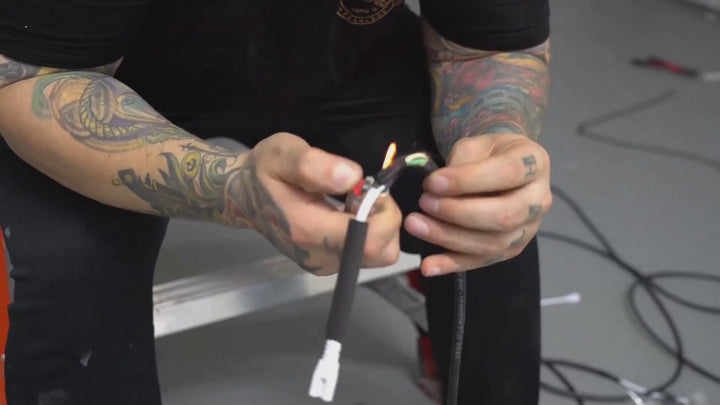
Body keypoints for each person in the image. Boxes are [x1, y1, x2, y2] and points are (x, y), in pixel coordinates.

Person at [0, 1, 552, 404]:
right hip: (107, 74)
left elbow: (487, 47)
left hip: (342, 60)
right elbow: (35, 75)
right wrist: (233, 190)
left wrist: (496, 136)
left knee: (485, 216)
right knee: (72, 271)